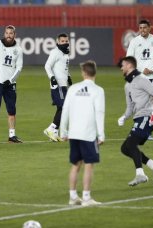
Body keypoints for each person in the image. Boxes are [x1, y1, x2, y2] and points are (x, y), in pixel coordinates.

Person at [59, 60, 105, 206]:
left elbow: (65, 110)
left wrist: (63, 131)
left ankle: (73, 196)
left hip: (74, 133)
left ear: (83, 73)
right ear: (95, 72)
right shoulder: (98, 90)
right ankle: (86, 197)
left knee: (75, 164)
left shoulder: (73, 88)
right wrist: (101, 134)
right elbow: (99, 112)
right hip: (88, 134)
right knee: (89, 165)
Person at [117, 56, 153, 186]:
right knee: (125, 148)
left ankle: (140, 175)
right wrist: (124, 117)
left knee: (131, 144)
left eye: (122, 65)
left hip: (147, 117)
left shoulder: (141, 80)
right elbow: (130, 107)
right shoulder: (127, 85)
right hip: (139, 118)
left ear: (129, 66)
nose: (121, 68)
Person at [127, 19, 153, 140]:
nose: (142, 30)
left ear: (149, 28)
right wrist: (141, 70)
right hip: (140, 77)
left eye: (144, 27)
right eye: (140, 28)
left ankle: (148, 132)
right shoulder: (134, 41)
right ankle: (138, 129)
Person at [43, 33, 73, 142]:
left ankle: (54, 133)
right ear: (58, 42)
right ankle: (51, 128)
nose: (65, 43)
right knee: (64, 107)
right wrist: (52, 78)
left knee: (61, 108)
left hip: (63, 85)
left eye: (66, 41)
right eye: (63, 41)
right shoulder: (55, 52)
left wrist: (69, 77)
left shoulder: (65, 54)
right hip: (58, 85)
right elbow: (47, 66)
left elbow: (64, 68)